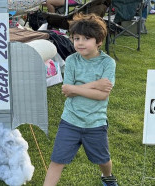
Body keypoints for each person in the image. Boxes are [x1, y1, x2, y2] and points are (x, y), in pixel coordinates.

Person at [44, 13, 117, 186]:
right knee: (57, 160)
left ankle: (107, 177)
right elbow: (68, 92)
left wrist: (75, 88)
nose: (80, 42)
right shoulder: (71, 60)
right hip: (70, 121)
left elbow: (102, 95)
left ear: (99, 41)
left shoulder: (108, 63)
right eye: (76, 38)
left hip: (95, 123)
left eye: (86, 38)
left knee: (103, 160)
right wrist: (96, 84)